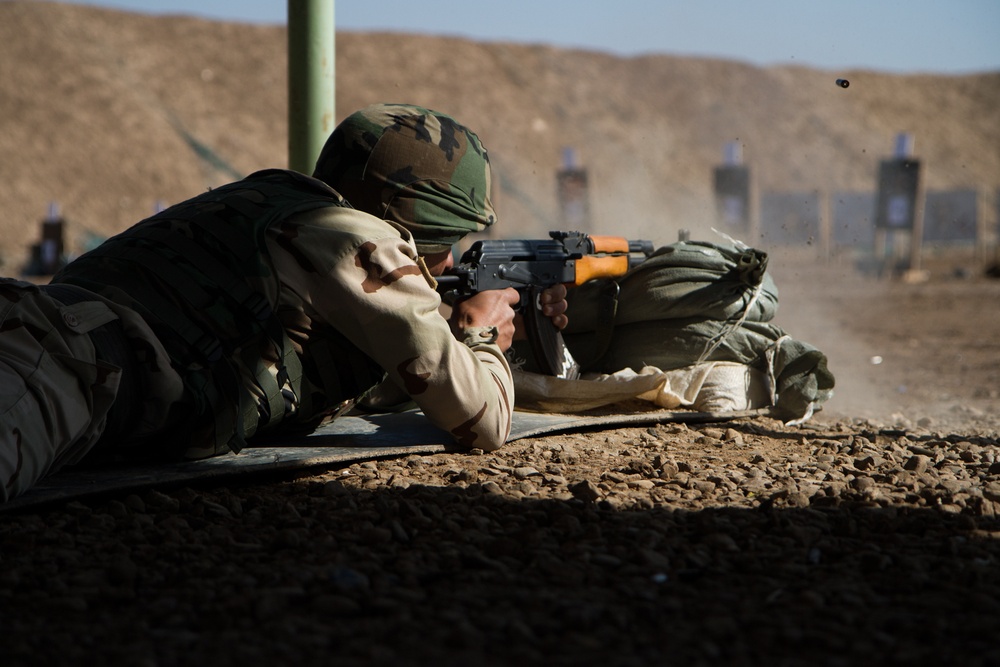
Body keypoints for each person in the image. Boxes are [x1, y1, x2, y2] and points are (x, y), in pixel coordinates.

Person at [0, 103, 568, 502]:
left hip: (48, 338)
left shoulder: (273, 200)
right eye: (447, 244)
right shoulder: (356, 239)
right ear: (412, 220)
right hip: (57, 362)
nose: (444, 265)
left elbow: (354, 369)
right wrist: (483, 335)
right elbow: (484, 422)